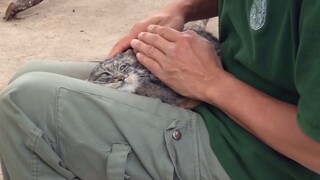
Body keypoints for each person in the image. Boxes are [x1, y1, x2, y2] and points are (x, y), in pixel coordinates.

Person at [0, 0, 319, 179]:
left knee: (25, 104)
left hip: (255, 159)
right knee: (31, 75)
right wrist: (179, 9)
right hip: (222, 95)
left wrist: (213, 84)